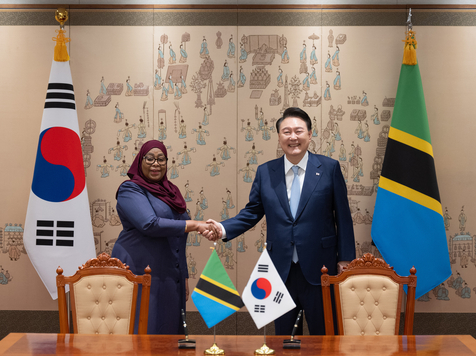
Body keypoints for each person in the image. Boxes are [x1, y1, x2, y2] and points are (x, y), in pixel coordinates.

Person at [205, 107, 355, 335]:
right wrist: (223, 228)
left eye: (298, 131)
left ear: (310, 134)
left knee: (324, 339)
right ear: (279, 137)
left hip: (321, 267)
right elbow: (252, 212)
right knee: (284, 339)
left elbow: (343, 217)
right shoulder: (266, 172)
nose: (293, 137)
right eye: (286, 132)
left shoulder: (328, 168)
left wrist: (345, 258)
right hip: (280, 270)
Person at [111, 140, 216, 335]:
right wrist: (195, 225)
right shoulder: (130, 189)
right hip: (138, 270)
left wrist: (183, 274)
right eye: (149, 158)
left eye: (161, 159)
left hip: (168, 272)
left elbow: (178, 240)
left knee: (167, 328)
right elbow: (149, 224)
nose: (155, 163)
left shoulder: (172, 192)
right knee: (143, 329)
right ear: (139, 161)